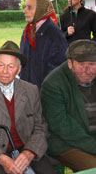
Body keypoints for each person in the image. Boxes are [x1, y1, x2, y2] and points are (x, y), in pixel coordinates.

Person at [0, 41, 56, 174]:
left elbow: (40, 127)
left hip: (26, 149)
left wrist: (29, 152)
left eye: (10, 66)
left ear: (19, 69)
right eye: (1, 65)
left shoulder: (31, 90)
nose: (5, 71)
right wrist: (2, 158)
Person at [41, 39, 96, 172]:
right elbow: (62, 126)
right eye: (81, 64)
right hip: (67, 143)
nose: (87, 70)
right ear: (70, 63)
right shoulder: (53, 84)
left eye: (92, 64)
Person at [20, 0, 68, 89]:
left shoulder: (54, 33)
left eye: (29, 7)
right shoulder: (28, 31)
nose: (24, 11)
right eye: (25, 7)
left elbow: (58, 70)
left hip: (45, 94)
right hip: (27, 92)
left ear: (40, 10)